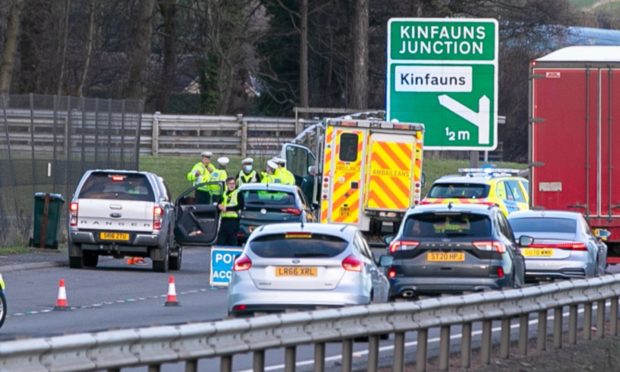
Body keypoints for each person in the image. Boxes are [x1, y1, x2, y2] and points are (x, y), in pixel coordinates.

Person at [217, 177, 244, 246]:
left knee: (232, 240)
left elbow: (241, 206)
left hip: (233, 221)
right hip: (224, 220)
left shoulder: (238, 193)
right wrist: (219, 206)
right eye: (230, 184)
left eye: (233, 183)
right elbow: (219, 203)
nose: (232, 185)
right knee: (221, 240)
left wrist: (227, 209)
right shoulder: (224, 193)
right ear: (227, 184)